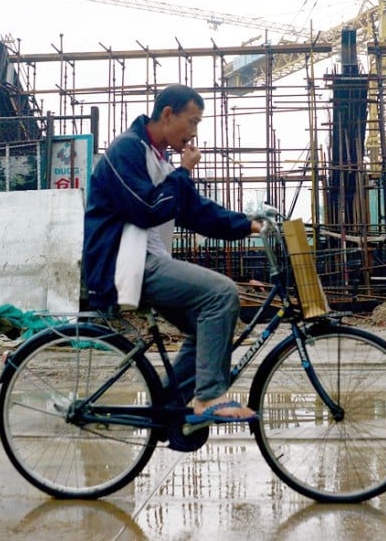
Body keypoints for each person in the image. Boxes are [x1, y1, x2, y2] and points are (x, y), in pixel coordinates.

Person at [83, 84, 260, 424]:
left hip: (149, 261)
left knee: (207, 327)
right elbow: (148, 209)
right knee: (221, 294)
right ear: (167, 114)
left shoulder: (158, 157)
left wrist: (247, 225)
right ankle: (208, 397)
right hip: (123, 264)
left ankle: (167, 410)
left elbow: (195, 211)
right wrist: (184, 173)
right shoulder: (127, 150)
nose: (194, 132)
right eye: (192, 122)